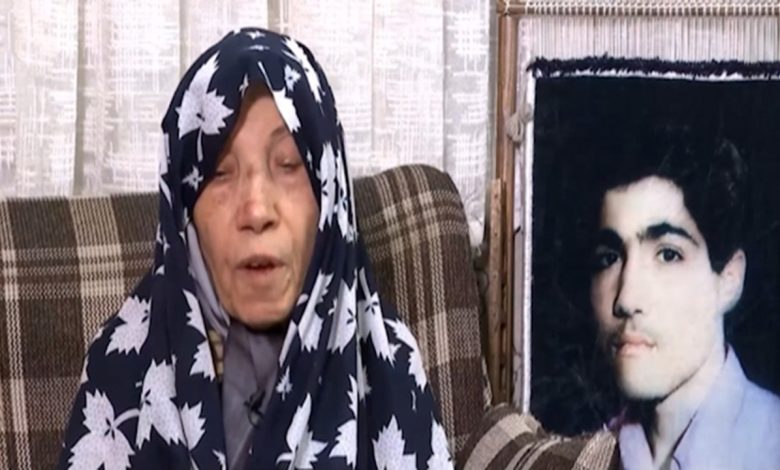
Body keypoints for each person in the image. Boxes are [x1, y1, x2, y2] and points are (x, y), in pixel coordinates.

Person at [58, 27, 452, 470]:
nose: (257, 210)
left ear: (330, 194)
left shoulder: (387, 365)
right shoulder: (121, 364)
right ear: (184, 213)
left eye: (289, 164)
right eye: (219, 173)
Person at [587, 130, 780, 470]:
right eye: (610, 258)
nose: (626, 299)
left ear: (729, 279)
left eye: (668, 255)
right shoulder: (589, 455)